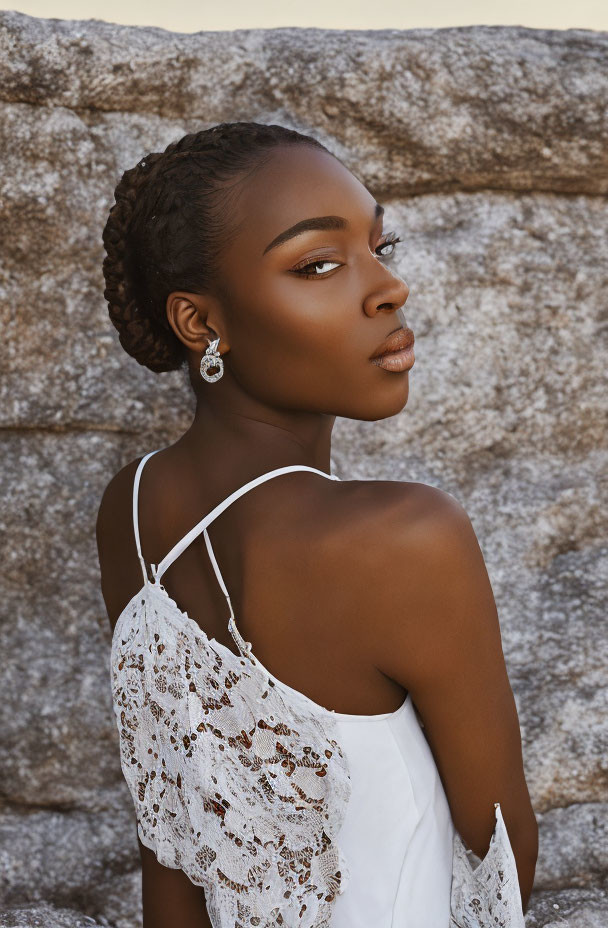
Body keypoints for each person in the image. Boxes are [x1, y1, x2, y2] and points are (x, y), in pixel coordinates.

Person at [96, 122, 538, 928]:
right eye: (319, 265)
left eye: (381, 244)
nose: (388, 289)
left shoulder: (132, 506)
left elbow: (172, 845)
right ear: (200, 325)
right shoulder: (405, 536)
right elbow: (502, 858)